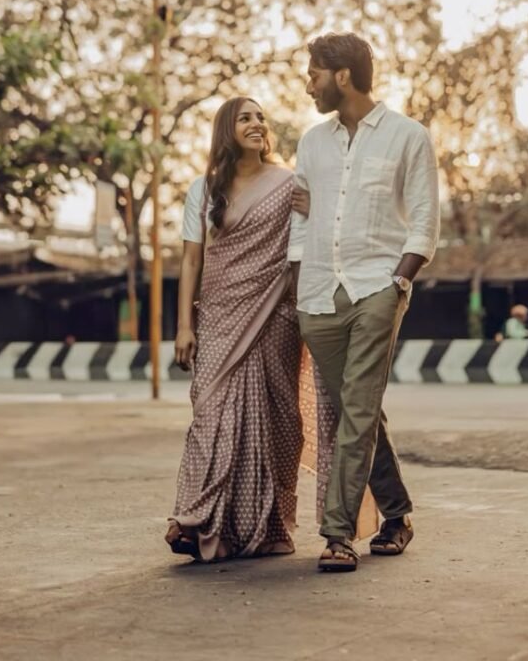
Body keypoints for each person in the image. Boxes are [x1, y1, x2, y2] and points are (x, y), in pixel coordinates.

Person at [288, 33, 440, 573]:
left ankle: (336, 534)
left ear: (343, 75)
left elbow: (424, 220)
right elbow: (299, 221)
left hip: (378, 287)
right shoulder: (312, 142)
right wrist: (294, 287)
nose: (309, 83)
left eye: (314, 73)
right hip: (318, 298)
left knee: (354, 411)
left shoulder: (408, 137)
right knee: (362, 410)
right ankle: (397, 514)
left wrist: (400, 281)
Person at [166, 97, 304, 562]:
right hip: (220, 317)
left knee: (276, 418)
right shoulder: (203, 191)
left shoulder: (289, 184)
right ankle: (194, 519)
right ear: (227, 129)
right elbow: (191, 259)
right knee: (209, 415)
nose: (257, 124)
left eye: (261, 117)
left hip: (276, 315)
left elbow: (308, 241)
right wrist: (185, 324)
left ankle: (268, 528)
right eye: (245, 117)